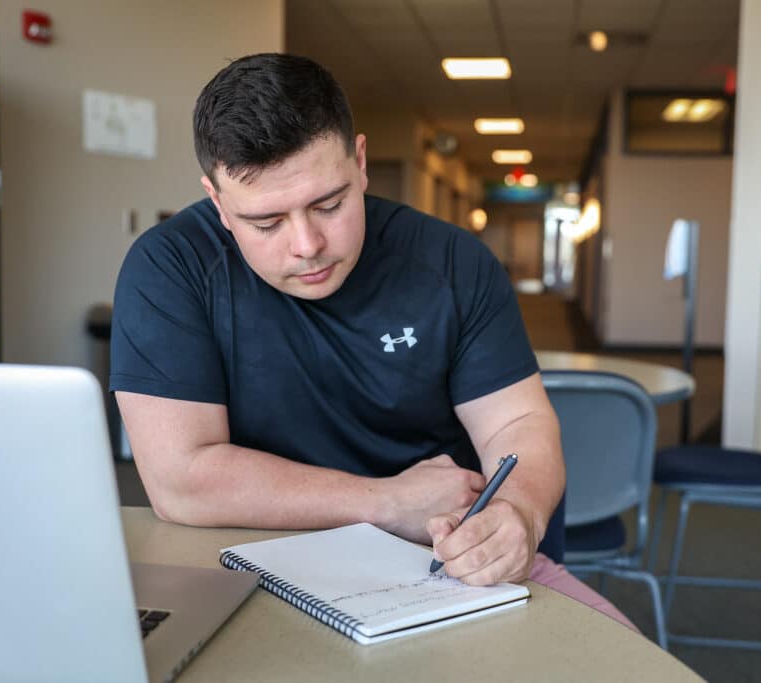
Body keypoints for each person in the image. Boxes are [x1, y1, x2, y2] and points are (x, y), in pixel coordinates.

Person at [110, 52, 635, 630]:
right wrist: (385, 502)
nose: (306, 243)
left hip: (443, 563)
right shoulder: (170, 268)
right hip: (243, 562)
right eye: (267, 223)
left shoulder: (453, 264)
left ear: (360, 163)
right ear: (218, 202)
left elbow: (520, 427)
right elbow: (181, 482)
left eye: (328, 205)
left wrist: (521, 515)